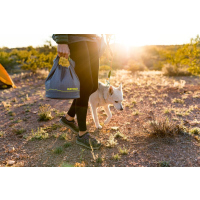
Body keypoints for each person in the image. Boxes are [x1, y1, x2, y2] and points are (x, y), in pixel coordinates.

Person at [52, 34, 103, 150]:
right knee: (85, 84)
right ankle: (82, 133)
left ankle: (69, 118)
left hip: (92, 37)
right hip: (75, 37)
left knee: (93, 86)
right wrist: (62, 41)